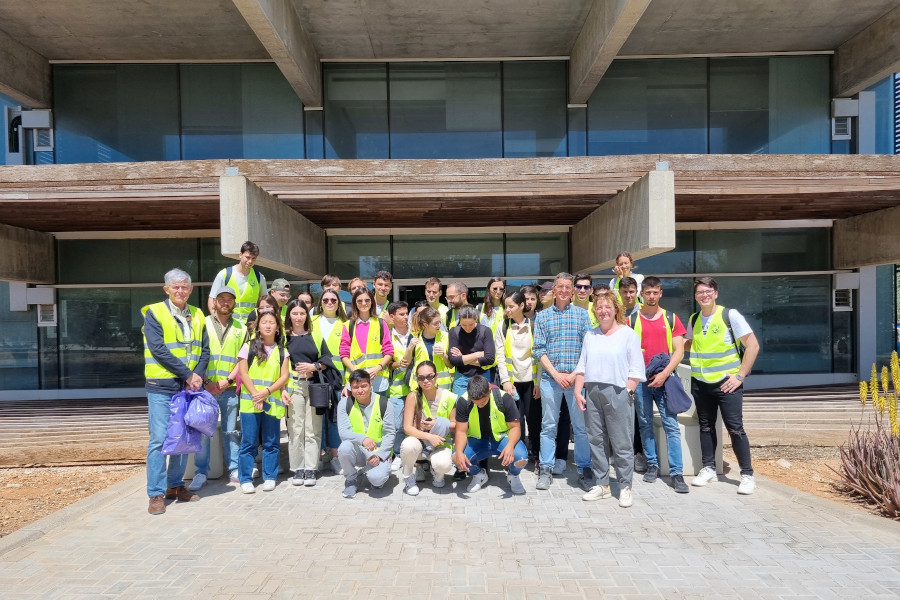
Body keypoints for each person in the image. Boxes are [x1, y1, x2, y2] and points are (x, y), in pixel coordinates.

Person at [684, 277, 760, 494]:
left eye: (708, 291)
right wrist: (673, 339)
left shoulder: (730, 315)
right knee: (706, 427)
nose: (704, 295)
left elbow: (753, 345)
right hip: (701, 382)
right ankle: (708, 468)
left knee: (735, 429)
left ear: (715, 293)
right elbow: (689, 344)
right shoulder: (695, 318)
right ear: (696, 296)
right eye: (700, 292)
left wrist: (740, 376)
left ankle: (747, 475)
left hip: (728, 384)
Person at [143, 268, 210, 515]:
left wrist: (198, 376)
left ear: (191, 289)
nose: (180, 291)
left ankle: (175, 486)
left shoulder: (198, 315)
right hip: (161, 387)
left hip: (188, 388)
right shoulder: (154, 312)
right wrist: (188, 375)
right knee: (160, 440)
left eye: (184, 287)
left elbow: (205, 350)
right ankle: (156, 493)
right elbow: (158, 349)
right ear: (167, 289)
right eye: (176, 287)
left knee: (183, 438)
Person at [574, 290, 645, 508]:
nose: (603, 311)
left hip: (618, 392)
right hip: (592, 392)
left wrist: (629, 391)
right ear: (595, 311)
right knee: (596, 440)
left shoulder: (628, 335)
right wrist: (578, 390)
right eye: (599, 308)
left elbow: (636, 368)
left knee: (621, 441)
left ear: (616, 310)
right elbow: (582, 365)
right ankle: (603, 484)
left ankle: (625, 486)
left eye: (608, 307)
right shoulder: (590, 335)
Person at [532, 272, 593, 492]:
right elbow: (538, 349)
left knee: (580, 427)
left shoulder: (582, 315)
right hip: (550, 380)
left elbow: (588, 350)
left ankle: (585, 469)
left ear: (573, 290)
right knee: (549, 426)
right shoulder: (543, 317)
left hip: (576, 380)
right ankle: (546, 469)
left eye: (569, 287)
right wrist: (556, 374)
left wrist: (575, 374)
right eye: (561, 287)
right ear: (554, 289)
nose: (565, 290)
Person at [631, 276, 689, 494]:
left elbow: (679, 351)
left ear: (661, 293)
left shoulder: (671, 318)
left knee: (671, 425)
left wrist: (664, 374)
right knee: (645, 423)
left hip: (665, 380)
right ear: (642, 294)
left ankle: (676, 473)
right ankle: (652, 464)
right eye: (648, 293)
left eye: (655, 292)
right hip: (641, 381)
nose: (652, 296)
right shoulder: (632, 320)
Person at [190, 286, 245, 491]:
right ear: (214, 302)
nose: (225, 302)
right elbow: (195, 354)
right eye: (221, 298)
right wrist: (206, 382)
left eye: (229, 299)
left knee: (231, 431)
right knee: (203, 432)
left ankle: (234, 470)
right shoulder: (202, 323)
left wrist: (227, 381)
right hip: (205, 389)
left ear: (234, 303)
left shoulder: (241, 327)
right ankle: (201, 472)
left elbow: (242, 359)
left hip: (228, 388)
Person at [283, 299, 338, 487]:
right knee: (295, 428)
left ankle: (311, 468)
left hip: (314, 386)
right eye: (295, 313)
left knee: (313, 429)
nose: (298, 317)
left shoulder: (315, 335)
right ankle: (298, 468)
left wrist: (313, 366)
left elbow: (327, 359)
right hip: (293, 387)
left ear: (307, 315)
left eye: (302, 313)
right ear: (289, 315)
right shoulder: (283, 337)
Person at [236, 310, 291, 493]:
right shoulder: (248, 347)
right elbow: (243, 373)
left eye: (272, 323)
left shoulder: (282, 350)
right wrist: (255, 395)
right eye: (264, 322)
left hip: (271, 402)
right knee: (249, 442)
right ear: (258, 326)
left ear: (277, 327)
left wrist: (266, 392)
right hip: (250, 402)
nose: (268, 325)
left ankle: (269, 476)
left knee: (271, 441)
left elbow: (284, 377)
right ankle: (245, 478)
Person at [452, 375, 529, 495]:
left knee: (521, 457)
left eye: (483, 401)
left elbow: (515, 427)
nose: (479, 405)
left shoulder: (504, 398)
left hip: (502, 439)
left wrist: (510, 446)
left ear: (489, 391)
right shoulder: (463, 401)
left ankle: (513, 476)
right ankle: (479, 475)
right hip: (477, 441)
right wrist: (460, 453)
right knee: (456, 457)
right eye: (476, 402)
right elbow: (460, 432)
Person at [399, 361, 459, 495]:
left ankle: (437, 474)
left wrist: (438, 423)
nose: (425, 380)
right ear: (417, 379)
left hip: (441, 442)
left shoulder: (449, 397)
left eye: (429, 376)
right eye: (421, 378)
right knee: (407, 445)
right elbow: (407, 428)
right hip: (420, 442)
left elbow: (455, 425)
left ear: (436, 376)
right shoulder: (413, 396)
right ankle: (409, 477)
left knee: (443, 465)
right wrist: (429, 436)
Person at [337, 369, 396, 498]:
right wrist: (362, 438)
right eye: (355, 387)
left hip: (378, 451)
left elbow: (390, 434)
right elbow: (343, 432)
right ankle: (351, 479)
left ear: (370, 385)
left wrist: (380, 455)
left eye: (364, 386)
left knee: (376, 479)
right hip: (357, 449)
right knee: (344, 447)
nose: (360, 390)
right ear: (350, 388)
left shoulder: (384, 403)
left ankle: (381, 468)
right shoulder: (344, 403)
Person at [311, 289, 349, 475]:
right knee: (317, 418)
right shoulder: (312, 322)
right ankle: (317, 458)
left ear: (338, 302)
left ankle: (335, 457)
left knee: (335, 418)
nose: (329, 302)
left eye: (333, 299)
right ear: (320, 302)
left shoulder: (346, 324)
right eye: (325, 299)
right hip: (315, 377)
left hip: (338, 378)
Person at [495, 291, 537, 457]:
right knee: (515, 420)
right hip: (512, 383)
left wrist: (539, 383)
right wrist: (505, 381)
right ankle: (519, 453)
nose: (508, 310)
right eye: (506, 307)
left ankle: (537, 453)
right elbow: (500, 356)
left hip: (531, 382)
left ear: (521, 305)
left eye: (511, 306)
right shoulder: (503, 326)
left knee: (534, 420)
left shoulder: (533, 325)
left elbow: (540, 356)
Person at [340, 288, 394, 394]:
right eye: (359, 301)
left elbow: (389, 351)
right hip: (356, 381)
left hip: (378, 380)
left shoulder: (381, 324)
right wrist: (354, 369)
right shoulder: (348, 325)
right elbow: (343, 353)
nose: (363, 303)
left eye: (367, 300)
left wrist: (378, 368)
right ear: (355, 303)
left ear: (372, 302)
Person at [616, 276, 643, 471]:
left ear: (637, 292)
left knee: (641, 416)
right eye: (624, 292)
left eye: (631, 291)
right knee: (621, 416)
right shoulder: (615, 312)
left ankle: (639, 453)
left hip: (638, 372)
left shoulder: (644, 312)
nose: (628, 295)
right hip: (619, 371)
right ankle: (622, 453)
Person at [385, 301, 414, 468]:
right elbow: (385, 363)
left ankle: (414, 456)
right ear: (392, 317)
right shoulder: (387, 336)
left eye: (406, 314)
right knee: (396, 424)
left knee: (414, 423)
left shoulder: (415, 334)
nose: (405, 317)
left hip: (414, 387)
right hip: (396, 388)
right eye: (401, 314)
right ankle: (397, 454)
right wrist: (397, 364)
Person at [208, 241, 265, 322]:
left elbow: (265, 302)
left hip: (251, 326)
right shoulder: (224, 274)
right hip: (229, 324)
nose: (250, 261)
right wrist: (217, 322)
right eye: (247, 257)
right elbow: (212, 300)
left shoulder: (259, 277)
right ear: (240, 255)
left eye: (253, 258)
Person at [448, 305, 495, 397]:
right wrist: (477, 354)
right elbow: (453, 360)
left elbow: (489, 359)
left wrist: (463, 357)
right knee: (461, 407)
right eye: (464, 325)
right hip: (462, 377)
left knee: (483, 405)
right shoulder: (454, 332)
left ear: (476, 319)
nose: (468, 328)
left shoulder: (485, 331)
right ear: (459, 320)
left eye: (471, 324)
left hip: (483, 375)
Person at [410, 306, 453, 391]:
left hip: (441, 386)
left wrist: (443, 355)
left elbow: (450, 365)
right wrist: (409, 348)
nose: (439, 325)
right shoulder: (415, 336)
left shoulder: (446, 336)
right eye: (435, 323)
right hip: (421, 385)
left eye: (440, 322)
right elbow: (407, 361)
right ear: (425, 324)